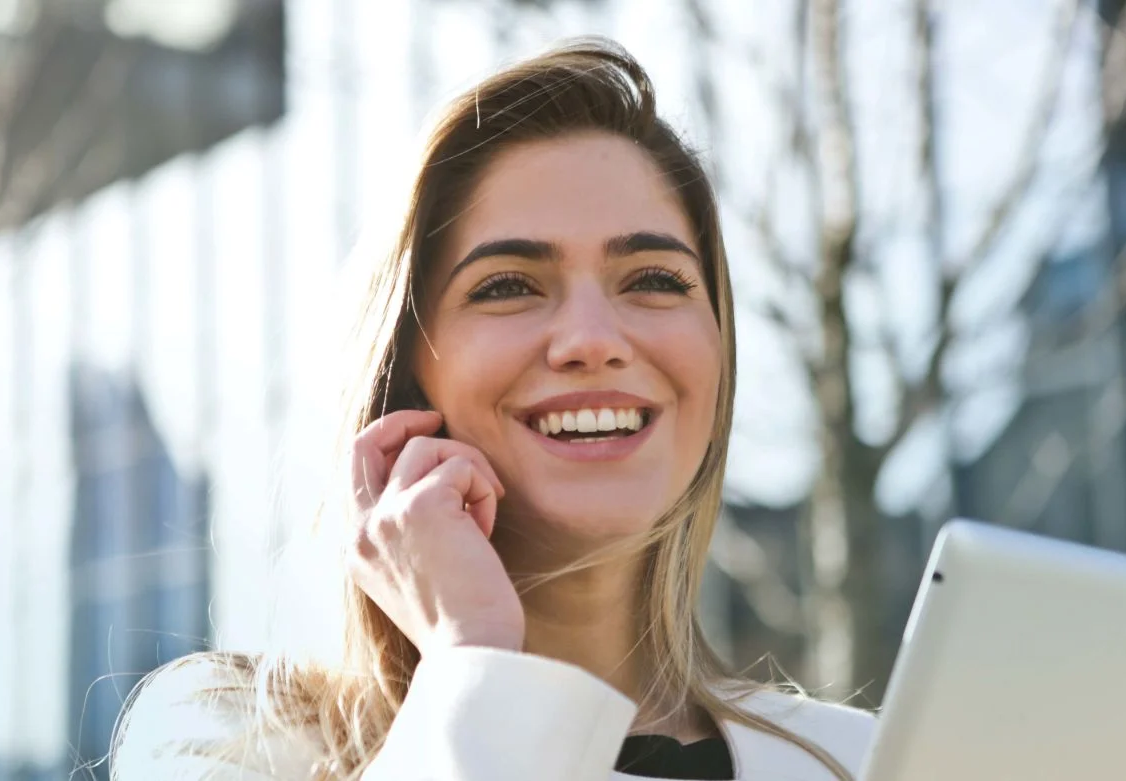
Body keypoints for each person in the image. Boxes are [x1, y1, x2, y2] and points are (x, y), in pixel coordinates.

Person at [111, 38, 875, 780]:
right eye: (508, 285)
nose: (592, 340)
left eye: (655, 278)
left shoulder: (860, 760)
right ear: (407, 374)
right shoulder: (228, 742)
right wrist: (473, 662)